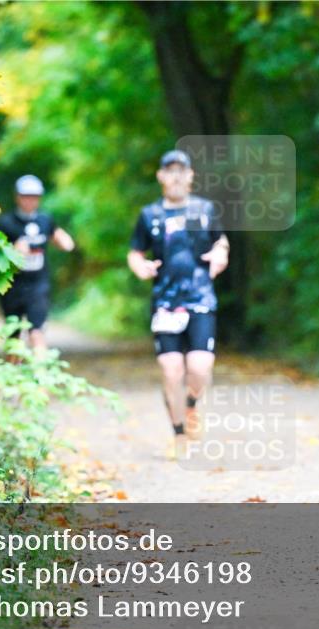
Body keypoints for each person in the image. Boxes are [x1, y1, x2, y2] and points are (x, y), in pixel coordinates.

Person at [127, 150, 230, 439]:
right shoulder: (150, 215)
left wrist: (220, 254)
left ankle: (192, 405)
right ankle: (179, 433)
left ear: (190, 176)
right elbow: (135, 252)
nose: (175, 176)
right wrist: (141, 267)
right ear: (160, 176)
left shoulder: (204, 210)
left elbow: (220, 241)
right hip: (165, 302)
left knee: (200, 367)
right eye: (169, 170)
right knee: (171, 370)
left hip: (200, 298)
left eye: (180, 170)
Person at [0, 175, 75, 351]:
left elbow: (59, 236)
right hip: (11, 286)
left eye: (34, 197)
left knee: (36, 332)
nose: (30, 201)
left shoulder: (45, 220)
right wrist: (13, 250)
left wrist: (64, 241)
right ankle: (12, 374)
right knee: (14, 335)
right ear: (18, 197)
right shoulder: (5, 223)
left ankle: (40, 375)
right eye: (26, 196)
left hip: (38, 284)